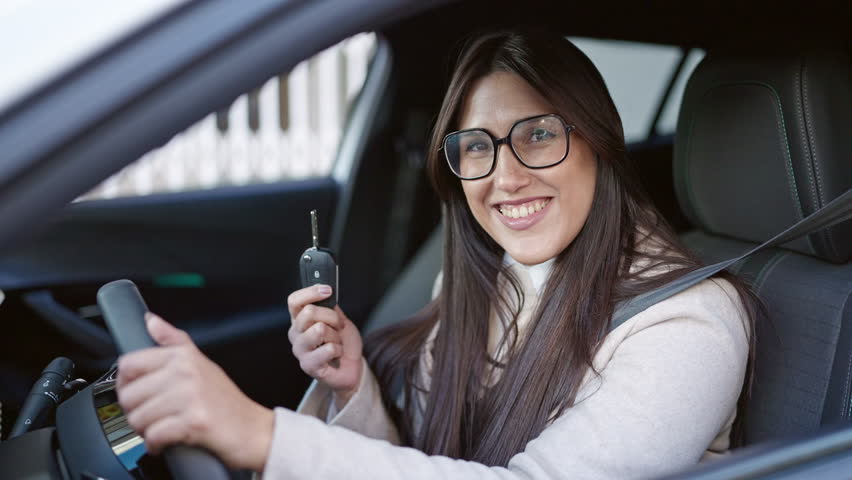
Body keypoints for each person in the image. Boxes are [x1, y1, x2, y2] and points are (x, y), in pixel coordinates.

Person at [115, 29, 759, 479]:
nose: (504, 177)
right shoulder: (484, 275)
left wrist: (263, 436)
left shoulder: (688, 324)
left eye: (537, 135)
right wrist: (353, 386)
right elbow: (430, 462)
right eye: (477, 146)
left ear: (599, 142)